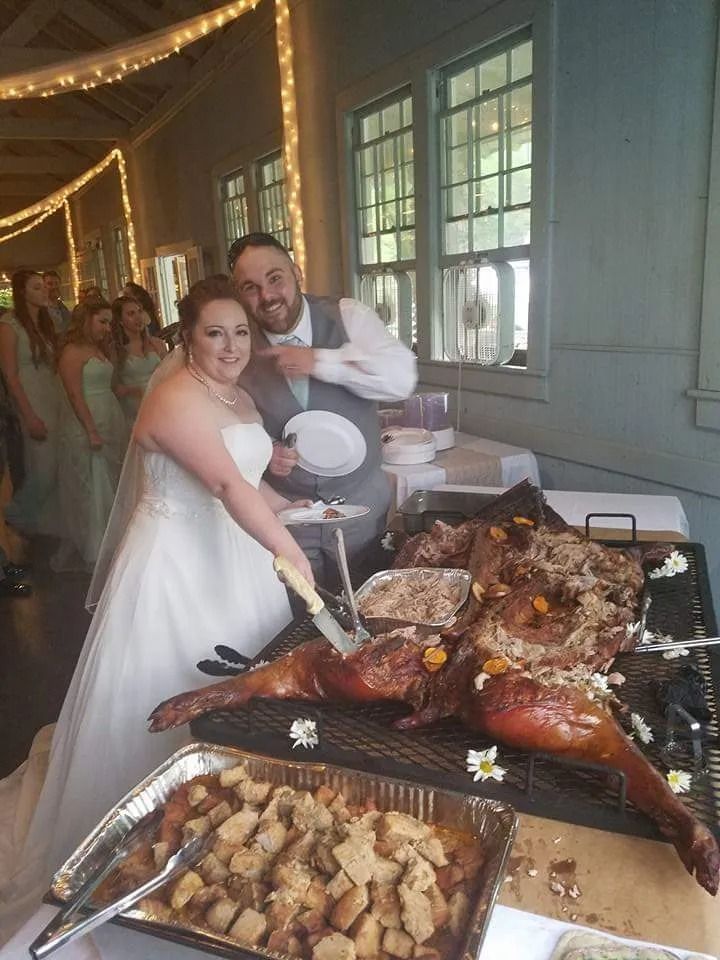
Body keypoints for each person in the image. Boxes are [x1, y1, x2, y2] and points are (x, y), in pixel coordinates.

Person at [0, 276, 312, 948]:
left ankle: (222, 830)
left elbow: (251, 482)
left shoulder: (235, 393)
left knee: (237, 694)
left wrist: (300, 512)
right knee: (165, 688)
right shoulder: (171, 397)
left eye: (239, 332)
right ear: (186, 336)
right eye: (213, 333)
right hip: (175, 564)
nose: (230, 346)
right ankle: (135, 852)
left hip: (232, 556)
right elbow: (227, 483)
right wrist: (292, 551)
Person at [229, 232, 417, 583]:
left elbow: (402, 378)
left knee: (367, 607)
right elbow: (224, 416)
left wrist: (318, 360)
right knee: (302, 619)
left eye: (275, 278)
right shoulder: (236, 342)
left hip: (361, 508)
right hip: (287, 517)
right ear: (238, 294)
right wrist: (264, 450)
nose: (267, 296)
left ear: (296, 272)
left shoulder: (347, 315)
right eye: (250, 287)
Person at [51, 299, 128, 571]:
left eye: (109, 322)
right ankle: (94, 546)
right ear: (87, 320)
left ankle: (112, 540)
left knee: (111, 479)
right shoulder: (71, 351)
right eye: (102, 321)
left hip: (109, 414)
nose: (108, 327)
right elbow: (73, 394)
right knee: (90, 485)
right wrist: (91, 430)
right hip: (86, 420)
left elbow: (113, 384)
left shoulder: (99, 348)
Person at [0, 270, 61, 536]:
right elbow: (11, 376)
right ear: (22, 292)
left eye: (43, 287)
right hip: (31, 399)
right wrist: (28, 415)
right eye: (36, 287)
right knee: (43, 468)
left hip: (53, 395)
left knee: (58, 464)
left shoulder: (48, 322)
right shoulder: (9, 325)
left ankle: (45, 521)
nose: (43, 291)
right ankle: (17, 513)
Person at [110, 294, 167, 424]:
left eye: (139, 312)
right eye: (131, 314)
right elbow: (113, 387)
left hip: (159, 402)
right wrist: (135, 390)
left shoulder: (157, 344)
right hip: (133, 407)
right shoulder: (116, 350)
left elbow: (169, 374)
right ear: (120, 320)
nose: (138, 317)